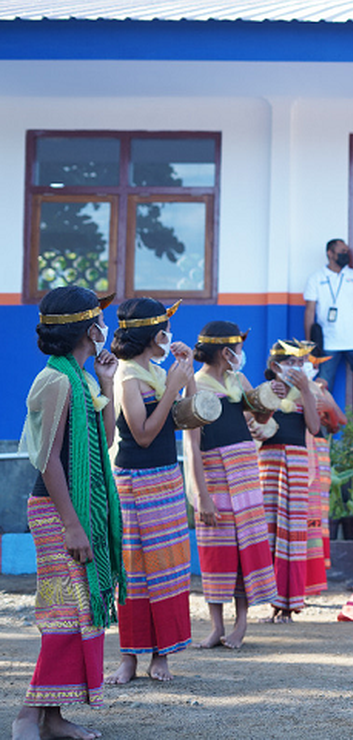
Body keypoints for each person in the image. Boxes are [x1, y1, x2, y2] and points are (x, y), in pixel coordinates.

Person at [13, 287, 123, 740]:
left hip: (77, 509)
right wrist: (73, 524)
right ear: (86, 328)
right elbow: (49, 459)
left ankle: (53, 718)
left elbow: (108, 439)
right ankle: (26, 714)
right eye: (100, 319)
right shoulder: (56, 380)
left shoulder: (82, 379)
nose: (105, 328)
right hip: (59, 511)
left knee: (80, 616)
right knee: (64, 614)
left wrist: (109, 382)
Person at [105, 298, 203, 685]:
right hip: (134, 480)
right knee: (133, 570)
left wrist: (186, 372)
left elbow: (191, 413)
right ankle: (129, 656)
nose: (169, 337)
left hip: (165, 478)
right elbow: (143, 434)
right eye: (165, 330)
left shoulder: (158, 371)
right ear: (152, 336)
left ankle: (161, 653)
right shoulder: (128, 375)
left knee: (167, 566)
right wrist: (172, 387)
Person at [186, 321, 279, 649]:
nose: (242, 354)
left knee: (245, 550)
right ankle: (215, 626)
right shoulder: (195, 386)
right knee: (216, 549)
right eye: (238, 348)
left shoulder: (238, 380)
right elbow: (193, 446)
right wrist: (201, 496)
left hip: (244, 474)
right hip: (213, 475)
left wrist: (271, 396)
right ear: (227, 352)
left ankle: (240, 623)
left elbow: (260, 417)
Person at [258, 340, 322, 623]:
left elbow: (315, 427)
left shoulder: (308, 391)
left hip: (296, 463)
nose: (297, 368)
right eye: (291, 362)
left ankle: (290, 604)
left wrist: (307, 391)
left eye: (300, 362)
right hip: (268, 464)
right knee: (269, 531)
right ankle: (272, 602)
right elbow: (257, 425)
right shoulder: (265, 390)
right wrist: (270, 398)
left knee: (292, 534)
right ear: (275, 366)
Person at [303, 239, 353, 404]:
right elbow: (309, 311)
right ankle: (319, 430)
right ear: (330, 253)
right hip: (328, 342)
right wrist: (308, 346)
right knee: (321, 387)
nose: (346, 255)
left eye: (346, 251)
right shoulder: (316, 278)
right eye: (342, 252)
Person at [306, 354, 346, 599]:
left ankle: (316, 574)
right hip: (296, 450)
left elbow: (338, 422)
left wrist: (328, 407)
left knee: (318, 514)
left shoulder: (320, 389)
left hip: (318, 450)